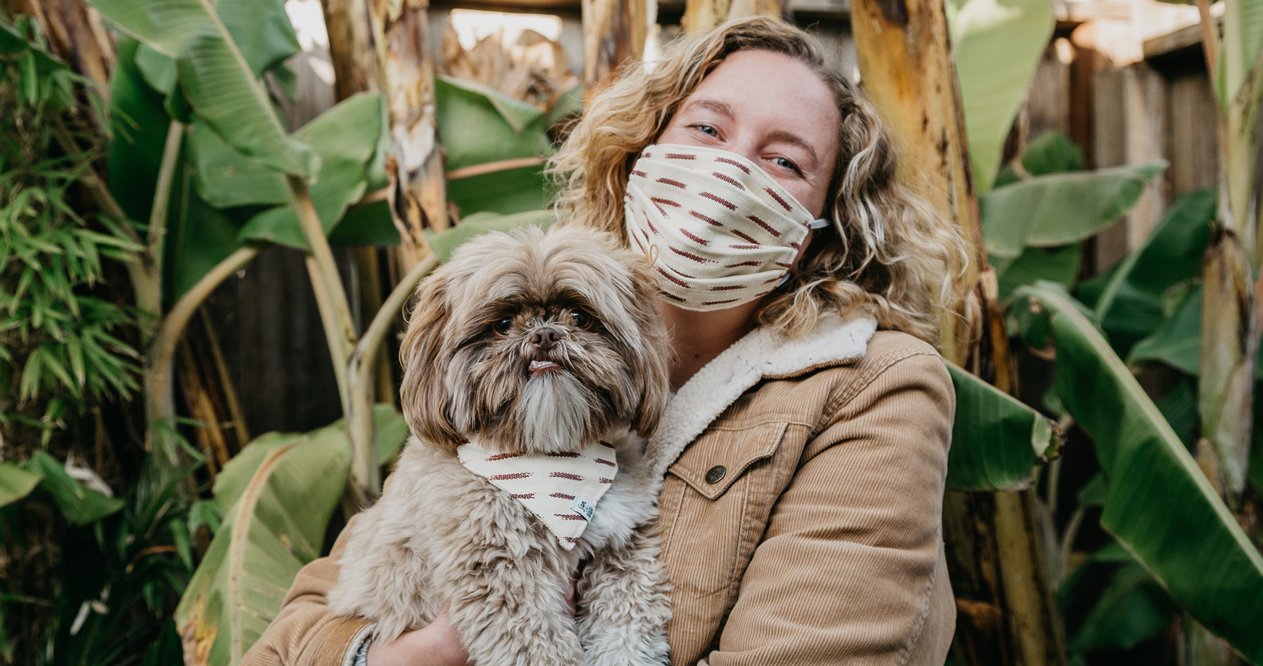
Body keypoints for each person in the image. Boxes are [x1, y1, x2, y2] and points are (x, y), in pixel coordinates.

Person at [246, 15, 964, 666]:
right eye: (707, 131)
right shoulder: (489, 374)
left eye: (783, 161)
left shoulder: (868, 386)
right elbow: (294, 635)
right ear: (641, 150)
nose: (730, 172)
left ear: (824, 225)